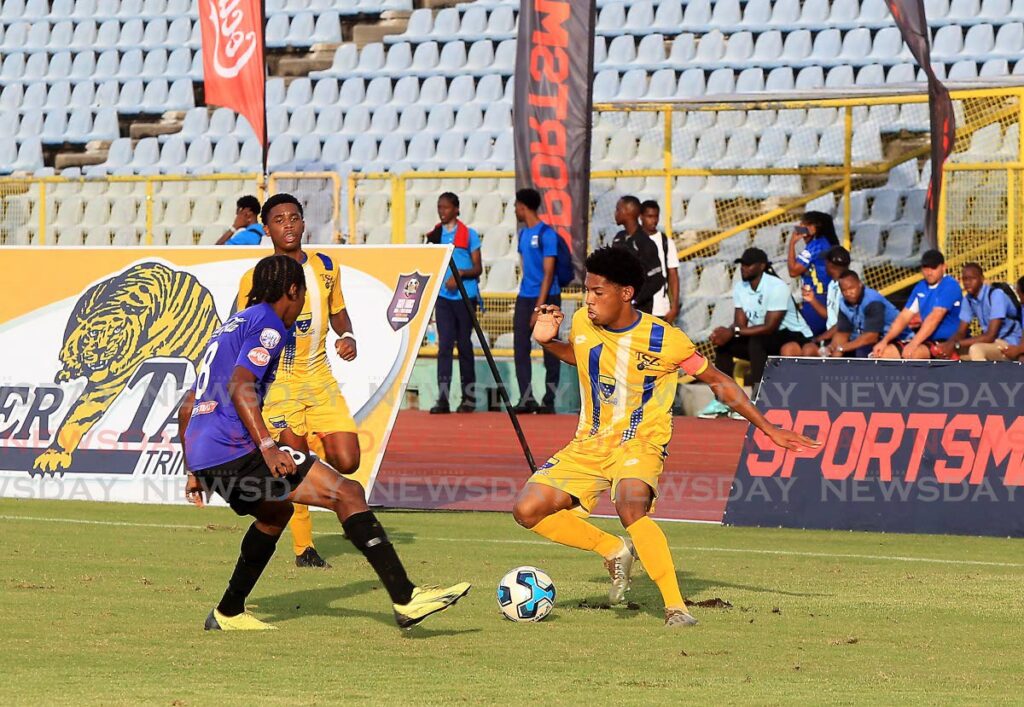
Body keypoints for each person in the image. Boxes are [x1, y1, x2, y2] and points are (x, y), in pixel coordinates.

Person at [511, 246, 819, 628]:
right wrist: (546, 342)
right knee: (527, 509)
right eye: (586, 291)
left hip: (640, 442)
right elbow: (584, 356)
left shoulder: (665, 340)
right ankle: (612, 549)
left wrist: (768, 427)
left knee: (630, 506)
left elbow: (717, 380)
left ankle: (676, 608)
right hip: (588, 443)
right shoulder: (583, 323)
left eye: (597, 292)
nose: (588, 300)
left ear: (626, 294)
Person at [181, 254, 470, 631]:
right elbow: (240, 385)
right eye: (304, 292)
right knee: (346, 492)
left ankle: (228, 611)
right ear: (293, 290)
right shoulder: (268, 324)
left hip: (207, 454)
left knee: (274, 514)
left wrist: (193, 468)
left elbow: (189, 404)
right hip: (236, 449)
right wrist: (268, 447)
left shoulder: (231, 325)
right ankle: (406, 598)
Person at [235, 193, 356, 569]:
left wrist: (347, 335)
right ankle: (304, 548)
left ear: (303, 223)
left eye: (294, 217)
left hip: (320, 377)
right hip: (281, 385)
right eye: (278, 219)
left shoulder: (326, 267)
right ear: (266, 228)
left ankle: (317, 454)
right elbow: (241, 329)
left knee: (347, 460)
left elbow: (339, 313)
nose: (287, 225)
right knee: (294, 465)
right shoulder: (257, 277)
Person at [698, 248, 812, 419]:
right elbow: (740, 323)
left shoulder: (776, 286)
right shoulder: (740, 287)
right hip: (764, 336)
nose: (744, 268)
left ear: (762, 266)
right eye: (742, 264)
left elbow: (769, 327)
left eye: (749, 265)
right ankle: (723, 400)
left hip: (792, 334)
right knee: (724, 346)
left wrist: (732, 331)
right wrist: (726, 334)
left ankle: (758, 399)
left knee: (756, 342)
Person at [426, 192, 483, 414]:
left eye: (446, 207)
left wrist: (460, 273)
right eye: (440, 207)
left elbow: (478, 268)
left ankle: (468, 399)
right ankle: (443, 399)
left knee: (465, 345)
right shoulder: (435, 235)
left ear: (456, 209)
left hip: (465, 296)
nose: (442, 211)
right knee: (445, 346)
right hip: (443, 298)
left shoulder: (469, 235)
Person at [513, 188, 560, 414]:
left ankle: (549, 399)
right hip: (526, 295)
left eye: (516, 206)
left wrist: (538, 308)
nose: (515, 210)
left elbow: (548, 274)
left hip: (547, 296)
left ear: (523, 207)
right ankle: (526, 397)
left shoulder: (547, 234)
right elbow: (525, 267)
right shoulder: (522, 234)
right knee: (520, 347)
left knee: (549, 347)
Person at [872, 249, 963, 360]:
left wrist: (914, 343)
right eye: (925, 268)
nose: (929, 272)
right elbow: (903, 317)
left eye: (933, 268)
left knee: (913, 354)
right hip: (927, 341)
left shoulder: (950, 285)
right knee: (883, 353)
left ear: (944, 267)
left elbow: (935, 318)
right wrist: (884, 341)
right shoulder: (921, 286)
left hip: (948, 341)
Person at [937, 263, 1022, 361]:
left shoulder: (995, 295)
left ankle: (984, 377)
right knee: (951, 353)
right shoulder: (968, 299)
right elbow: (961, 332)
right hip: (992, 343)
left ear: (981, 279)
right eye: (964, 279)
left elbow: (990, 336)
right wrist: (946, 346)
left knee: (976, 350)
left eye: (972, 278)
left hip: (1009, 343)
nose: (967, 282)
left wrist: (956, 344)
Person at [830, 270, 907, 357]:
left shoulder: (872, 300)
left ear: (860, 284)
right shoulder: (843, 303)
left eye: (851, 288)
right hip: (875, 341)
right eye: (844, 290)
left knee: (863, 353)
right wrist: (833, 354)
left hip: (900, 338)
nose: (848, 293)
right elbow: (843, 333)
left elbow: (871, 337)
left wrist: (842, 348)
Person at [786, 211, 840, 336]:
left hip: (816, 299)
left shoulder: (816, 246)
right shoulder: (826, 243)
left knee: (806, 339)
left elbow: (793, 271)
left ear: (815, 228)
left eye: (805, 225)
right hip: (827, 297)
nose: (801, 228)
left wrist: (792, 243)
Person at [610, 196, 663, 314]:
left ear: (628, 212)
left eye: (618, 209)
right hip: (617, 309)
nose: (615, 213)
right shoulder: (619, 238)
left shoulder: (644, 243)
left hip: (638, 312)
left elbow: (657, 279)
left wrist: (634, 299)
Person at [800, 246, 850, 356]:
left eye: (825, 262)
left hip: (843, 337)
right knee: (806, 349)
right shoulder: (833, 284)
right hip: (831, 335)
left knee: (809, 350)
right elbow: (830, 315)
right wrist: (812, 300)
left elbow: (843, 325)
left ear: (830, 265)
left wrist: (819, 338)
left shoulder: (848, 287)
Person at [639, 200, 680, 323]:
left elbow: (673, 275)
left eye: (656, 216)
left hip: (661, 309)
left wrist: (675, 306)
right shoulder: (632, 241)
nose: (653, 220)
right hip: (637, 308)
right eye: (649, 216)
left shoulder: (666, 242)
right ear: (641, 217)